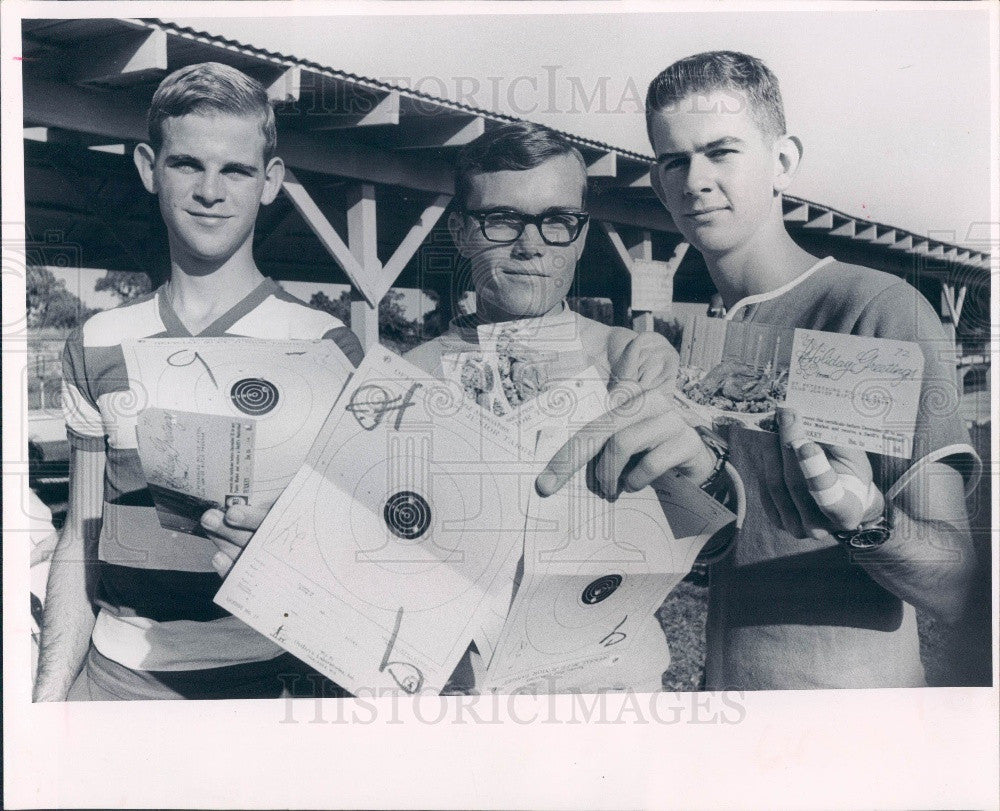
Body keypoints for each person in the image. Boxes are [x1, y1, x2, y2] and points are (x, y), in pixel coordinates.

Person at [206, 122, 708, 694]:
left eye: (557, 221)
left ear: (582, 234)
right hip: (459, 699)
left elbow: (706, 533)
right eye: (502, 220)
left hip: (613, 699)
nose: (531, 244)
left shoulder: (630, 362)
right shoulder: (404, 381)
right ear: (462, 233)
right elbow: (356, 556)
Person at [537, 51, 981, 689]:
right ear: (659, 184)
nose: (695, 180)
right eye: (674, 161)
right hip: (726, 719)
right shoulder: (705, 339)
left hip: (850, 740)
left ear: (783, 161)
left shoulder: (876, 308)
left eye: (721, 152)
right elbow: (724, 544)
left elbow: (961, 585)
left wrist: (869, 519)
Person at [33, 62, 363, 702]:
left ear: (270, 182)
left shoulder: (325, 346)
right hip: (115, 681)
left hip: (274, 681)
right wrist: (49, 697)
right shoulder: (97, 340)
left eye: (235, 169)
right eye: (187, 164)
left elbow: (362, 546)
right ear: (147, 167)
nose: (210, 190)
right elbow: (81, 536)